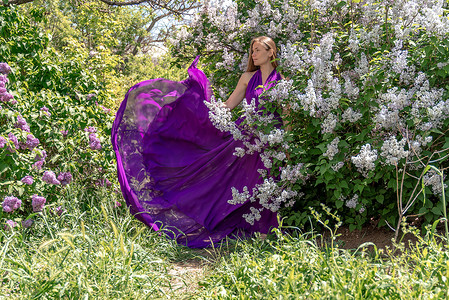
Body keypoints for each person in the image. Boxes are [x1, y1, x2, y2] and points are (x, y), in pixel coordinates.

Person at [111, 36, 283, 248]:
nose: (253, 55)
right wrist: (199, 103)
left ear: (270, 52)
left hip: (273, 138)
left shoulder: (281, 81)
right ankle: (236, 226)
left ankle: (265, 232)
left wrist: (288, 145)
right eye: (252, 50)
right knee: (245, 182)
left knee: (267, 181)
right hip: (247, 137)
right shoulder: (248, 77)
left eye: (257, 50)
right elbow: (228, 106)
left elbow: (287, 114)